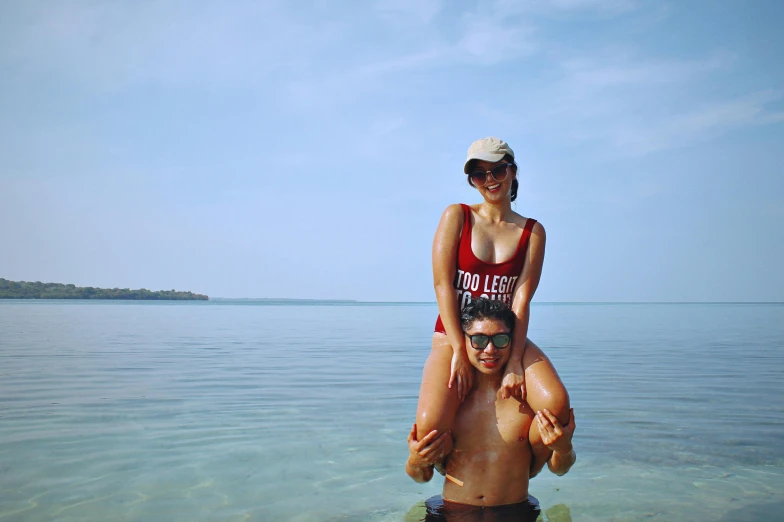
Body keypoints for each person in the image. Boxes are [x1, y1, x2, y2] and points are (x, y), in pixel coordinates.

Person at [417, 136, 570, 461]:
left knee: (556, 404)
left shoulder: (532, 231)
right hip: (454, 335)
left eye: (497, 171)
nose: (490, 181)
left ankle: (529, 466)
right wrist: (458, 348)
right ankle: (445, 470)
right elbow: (442, 285)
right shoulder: (456, 216)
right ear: (471, 180)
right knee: (429, 425)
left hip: (503, 337)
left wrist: (514, 359)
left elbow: (521, 299)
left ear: (512, 171)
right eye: (479, 174)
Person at [406, 298, 576, 520]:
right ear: (464, 340)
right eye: (478, 340)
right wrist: (415, 462)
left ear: (512, 341)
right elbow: (421, 477)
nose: (490, 350)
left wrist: (564, 450)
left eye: (500, 339)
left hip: (514, 512)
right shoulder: (450, 401)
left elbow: (560, 469)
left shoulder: (527, 402)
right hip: (451, 511)